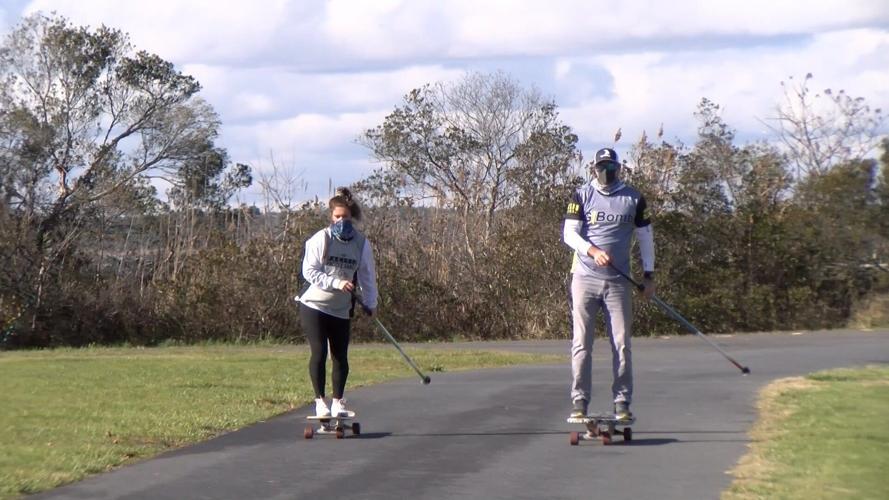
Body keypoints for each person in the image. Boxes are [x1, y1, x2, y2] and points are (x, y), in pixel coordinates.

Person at [563, 147, 655, 421]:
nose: (606, 172)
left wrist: (648, 276)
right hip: (585, 277)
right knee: (582, 342)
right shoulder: (581, 195)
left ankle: (622, 401)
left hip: (618, 281)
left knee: (622, 343)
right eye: (601, 167)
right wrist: (592, 251)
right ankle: (580, 399)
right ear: (594, 169)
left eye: (611, 168)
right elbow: (569, 234)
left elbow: (646, 237)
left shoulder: (634, 198)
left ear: (618, 169)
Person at [297, 187, 378, 418]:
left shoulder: (361, 243)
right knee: (320, 352)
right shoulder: (321, 238)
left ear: (352, 216)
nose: (342, 221)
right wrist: (335, 282)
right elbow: (309, 271)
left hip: (341, 308)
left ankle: (338, 402)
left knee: (340, 355)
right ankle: (320, 402)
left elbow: (366, 275)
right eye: (337, 217)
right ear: (331, 217)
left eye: (345, 217)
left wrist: (371, 303)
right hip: (314, 305)